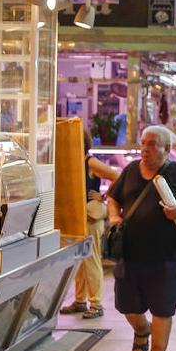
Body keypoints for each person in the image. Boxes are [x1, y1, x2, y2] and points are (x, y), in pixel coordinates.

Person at [107, 126, 176, 351]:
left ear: (167, 149)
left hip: (167, 255)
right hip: (130, 253)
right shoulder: (130, 171)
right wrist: (114, 216)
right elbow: (113, 198)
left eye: (152, 144)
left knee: (163, 308)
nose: (145, 149)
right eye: (143, 143)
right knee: (128, 306)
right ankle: (142, 330)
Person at [61, 127, 121, 319]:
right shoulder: (74, 161)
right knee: (78, 260)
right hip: (77, 216)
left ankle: (96, 303)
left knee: (91, 259)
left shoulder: (90, 162)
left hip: (90, 217)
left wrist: (103, 195)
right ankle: (80, 301)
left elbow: (117, 177)